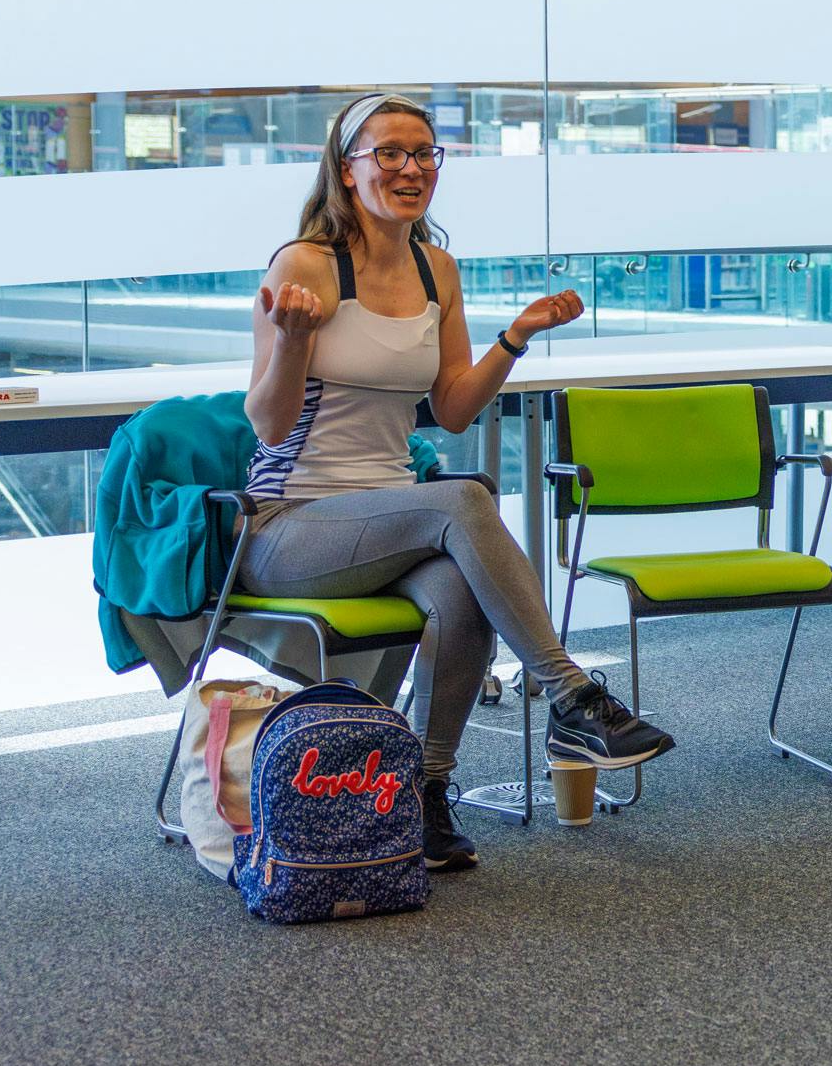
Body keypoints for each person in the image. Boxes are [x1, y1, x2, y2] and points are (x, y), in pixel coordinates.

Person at [237, 93, 675, 872]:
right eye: (390, 154)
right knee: (466, 497)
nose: (411, 168)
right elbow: (269, 427)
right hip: (290, 524)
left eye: (425, 153)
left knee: (460, 596)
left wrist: (517, 337)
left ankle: (426, 791)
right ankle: (571, 696)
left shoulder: (435, 268)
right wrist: (294, 344)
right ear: (348, 168)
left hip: (393, 520)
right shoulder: (303, 264)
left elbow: (452, 409)